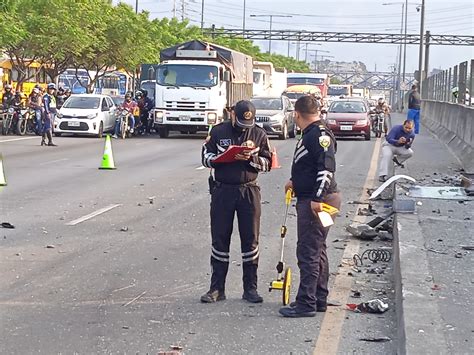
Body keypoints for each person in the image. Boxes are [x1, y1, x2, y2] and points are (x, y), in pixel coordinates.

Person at [200, 100, 272, 304]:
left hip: (249, 191)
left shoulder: (259, 134)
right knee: (220, 239)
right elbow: (205, 157)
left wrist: (250, 159)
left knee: (250, 240)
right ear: (232, 115)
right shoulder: (218, 131)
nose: (243, 128)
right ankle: (217, 288)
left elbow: (268, 163)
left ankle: (250, 288)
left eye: (247, 124)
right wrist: (225, 157)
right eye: (240, 122)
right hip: (223, 191)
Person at [278, 95, 341, 318]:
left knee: (308, 251)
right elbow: (311, 166)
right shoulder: (312, 133)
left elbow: (326, 169)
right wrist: (295, 181)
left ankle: (306, 302)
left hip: (318, 202)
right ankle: (318, 298)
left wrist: (316, 198)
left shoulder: (320, 136)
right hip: (314, 197)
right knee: (318, 249)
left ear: (296, 114)